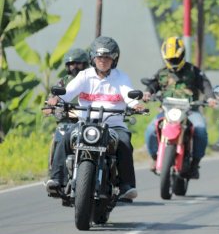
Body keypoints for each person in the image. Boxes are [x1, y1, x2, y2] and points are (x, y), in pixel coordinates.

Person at [45, 36, 145, 200]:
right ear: (93, 58)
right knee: (66, 137)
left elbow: (129, 94)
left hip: (113, 126)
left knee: (125, 143)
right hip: (85, 124)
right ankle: (57, 179)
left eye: (107, 57)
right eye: (99, 57)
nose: (103, 61)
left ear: (114, 59)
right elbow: (68, 92)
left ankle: (126, 186)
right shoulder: (84, 76)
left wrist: (135, 105)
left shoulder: (121, 77)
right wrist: (57, 100)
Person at [143, 36, 217, 179]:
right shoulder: (162, 72)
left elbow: (205, 85)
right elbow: (152, 85)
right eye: (170, 60)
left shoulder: (193, 71)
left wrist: (211, 98)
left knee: (200, 130)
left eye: (176, 59)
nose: (173, 62)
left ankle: (195, 164)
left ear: (183, 55)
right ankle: (154, 157)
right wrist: (147, 93)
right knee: (151, 129)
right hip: (166, 111)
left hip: (190, 111)